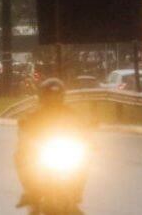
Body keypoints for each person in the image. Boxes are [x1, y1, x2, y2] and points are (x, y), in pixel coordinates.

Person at [14, 78, 87, 213]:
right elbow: (24, 130)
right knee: (20, 156)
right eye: (50, 95)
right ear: (43, 96)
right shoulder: (34, 115)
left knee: (85, 160)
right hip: (42, 153)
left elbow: (83, 127)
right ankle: (31, 191)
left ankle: (77, 191)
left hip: (65, 152)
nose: (53, 99)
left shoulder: (70, 113)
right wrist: (27, 138)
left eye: (57, 95)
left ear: (62, 96)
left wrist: (87, 137)